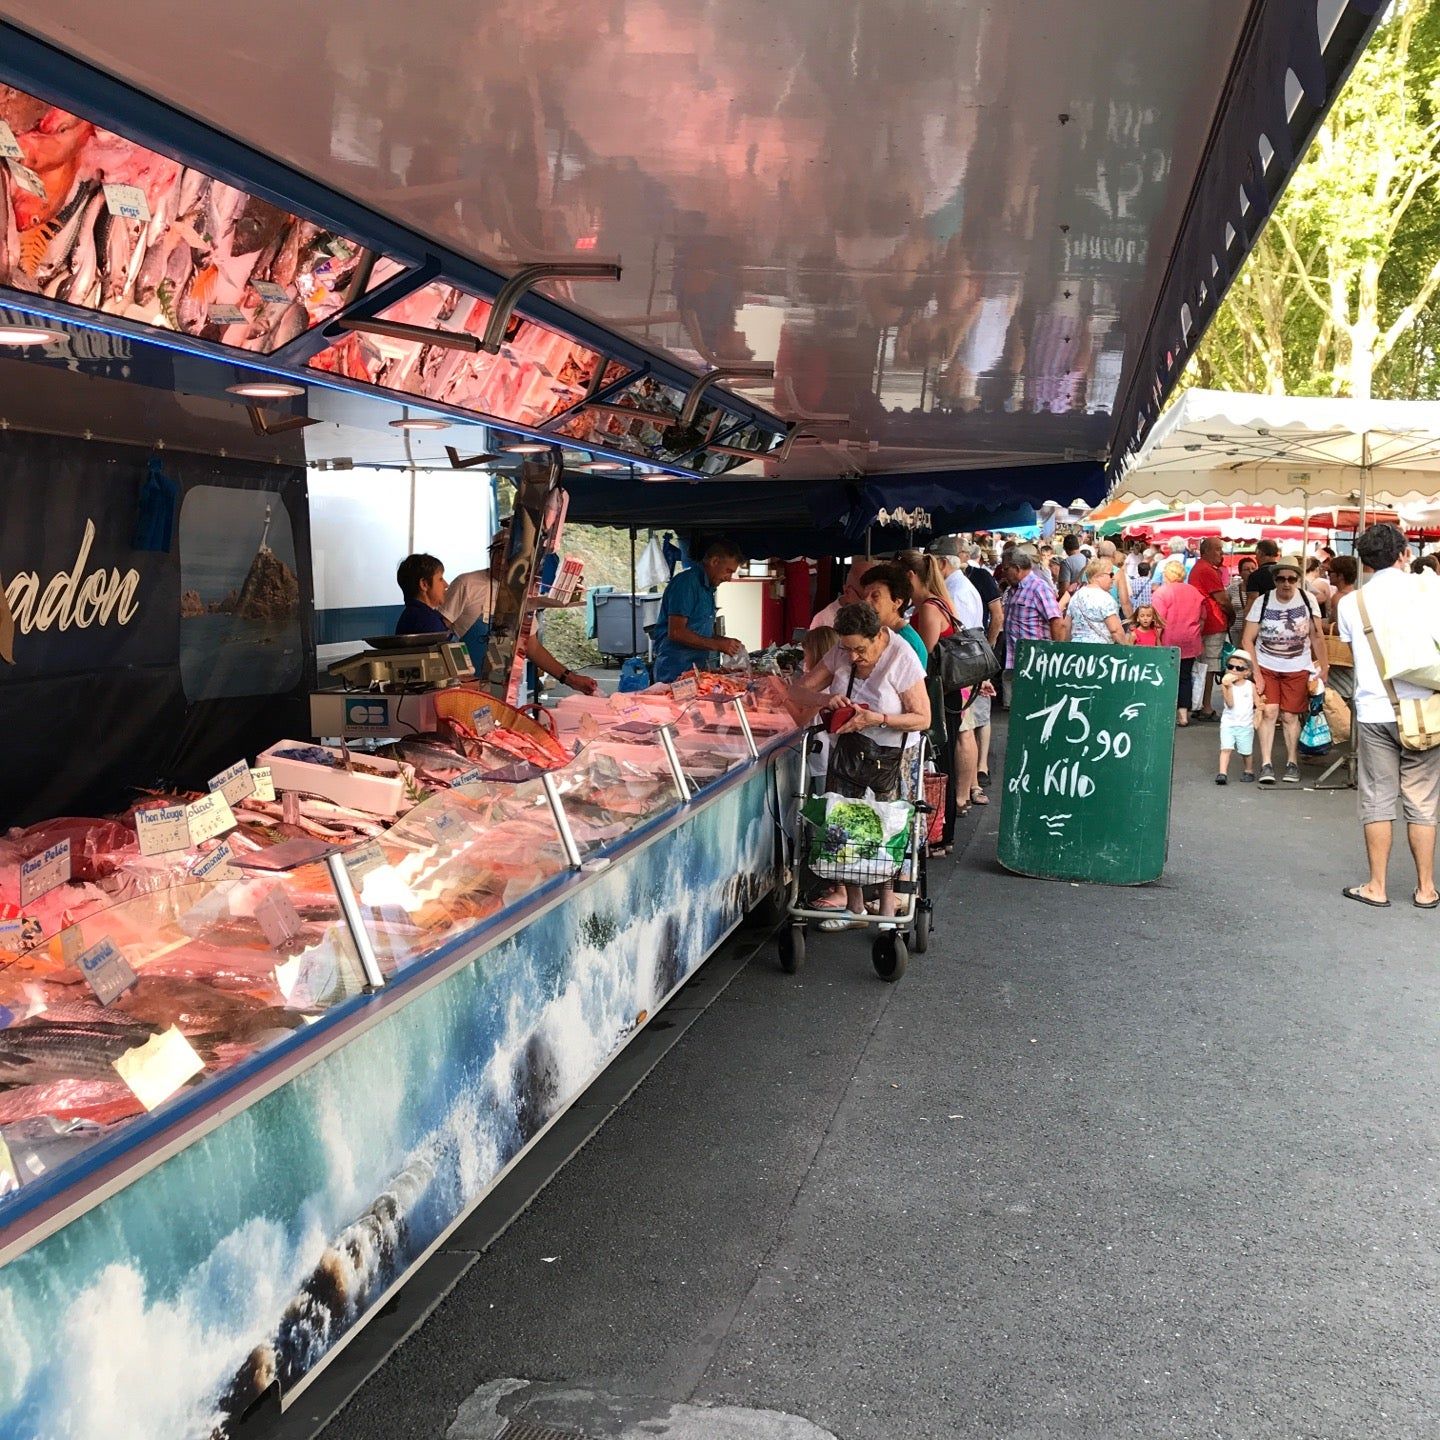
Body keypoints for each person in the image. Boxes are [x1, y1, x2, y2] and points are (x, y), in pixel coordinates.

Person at [806, 602, 931, 930]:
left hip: (889, 757)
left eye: (860, 649)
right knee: (848, 828)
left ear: (878, 636)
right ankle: (855, 907)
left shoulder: (901, 658)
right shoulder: (841, 651)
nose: (853, 657)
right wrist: (825, 700)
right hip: (848, 753)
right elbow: (801, 689)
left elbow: (923, 717)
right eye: (847, 649)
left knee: (884, 828)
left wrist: (878, 718)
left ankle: (888, 908)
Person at [1336, 523, 1440, 908]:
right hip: (1427, 709)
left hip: (1374, 708)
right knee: (1424, 801)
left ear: (1364, 561)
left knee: (1378, 798)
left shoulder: (1350, 603)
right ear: (1403, 553)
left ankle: (1377, 886)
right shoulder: (1430, 592)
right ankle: (1426, 888)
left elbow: (1351, 649)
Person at [440, 528, 601, 695]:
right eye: (497, 552)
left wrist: (571, 679)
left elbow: (532, 647)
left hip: (501, 687)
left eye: (508, 555)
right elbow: (440, 632)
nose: (501, 561)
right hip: (464, 687)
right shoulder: (466, 583)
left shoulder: (521, 593)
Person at [1240, 555, 1328, 784]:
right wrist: (1256, 674)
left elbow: (1317, 637)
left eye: (1291, 578)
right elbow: (1247, 640)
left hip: (1298, 665)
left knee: (1290, 715)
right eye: (1281, 579)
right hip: (1267, 663)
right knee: (1269, 712)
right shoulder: (1263, 601)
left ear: (1298, 579)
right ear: (1275, 580)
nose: (1286, 584)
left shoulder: (1308, 600)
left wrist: (1324, 669)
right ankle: (1266, 764)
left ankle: (1292, 762)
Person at [653, 541, 745, 683]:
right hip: (675, 670)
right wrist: (717, 645)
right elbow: (676, 632)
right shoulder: (687, 583)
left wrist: (723, 641)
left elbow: (697, 630)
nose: (729, 578)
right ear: (714, 561)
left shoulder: (707, 589)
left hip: (695, 669)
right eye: (729, 571)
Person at [965, 545, 1004, 783]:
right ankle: (979, 769)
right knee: (975, 712)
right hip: (976, 649)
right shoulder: (980, 577)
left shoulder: (980, 576)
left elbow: (998, 615)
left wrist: (988, 646)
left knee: (979, 710)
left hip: (976, 649)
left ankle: (982, 767)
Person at [1003, 552, 1069, 694]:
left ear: (1017, 568)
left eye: (1006, 569)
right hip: (1018, 660)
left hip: (1035, 662)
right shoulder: (1013, 590)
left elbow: (1057, 621)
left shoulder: (1039, 588)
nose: (1003, 573)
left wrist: (1056, 654)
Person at [1152, 558, 1205, 725]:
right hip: (1190, 639)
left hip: (1169, 640)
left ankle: (1166, 713)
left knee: (1167, 677)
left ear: (1166, 575)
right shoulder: (1195, 592)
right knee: (1185, 677)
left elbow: (1158, 621)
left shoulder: (1162, 592)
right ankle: (1183, 715)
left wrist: (1156, 641)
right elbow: (1203, 618)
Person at [1188, 537, 1232, 719]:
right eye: (1218, 549)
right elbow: (1222, 600)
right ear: (1205, 551)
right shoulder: (1207, 570)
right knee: (1209, 665)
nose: (1221, 553)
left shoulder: (1199, 568)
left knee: (1201, 665)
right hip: (1213, 623)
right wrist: (1233, 615)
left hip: (1203, 622)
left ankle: (1198, 703)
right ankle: (1205, 706)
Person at [859, 564, 927, 664]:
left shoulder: (907, 642)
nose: (866, 601)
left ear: (897, 602)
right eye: (864, 596)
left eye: (875, 596)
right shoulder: (875, 632)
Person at [1063, 557, 1131, 643]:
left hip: (1077, 650)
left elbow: (1067, 626)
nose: (1113, 578)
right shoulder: (1105, 598)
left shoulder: (1076, 596)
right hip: (1100, 651)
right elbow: (1115, 630)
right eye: (1111, 574)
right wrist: (1127, 649)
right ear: (1098, 576)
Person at [1216, 649, 1257, 785]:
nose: (1233, 670)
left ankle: (1249, 770)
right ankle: (1222, 773)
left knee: (1246, 751)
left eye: (1239, 668)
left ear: (1247, 672)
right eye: (1230, 667)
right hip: (1228, 722)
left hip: (1245, 724)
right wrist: (1227, 687)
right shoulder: (1227, 685)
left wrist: (1259, 715)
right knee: (1226, 748)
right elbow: (1230, 703)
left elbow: (1258, 703)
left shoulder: (1250, 686)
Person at [927, 537, 984, 630]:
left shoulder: (958, 593)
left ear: (942, 564)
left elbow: (960, 638)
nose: (926, 568)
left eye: (929, 563)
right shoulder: (955, 587)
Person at [395, 553, 451, 634]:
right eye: (440, 579)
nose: (446, 585)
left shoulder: (411, 616)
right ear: (424, 584)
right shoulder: (427, 621)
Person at [810, 558, 870, 630]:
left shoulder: (878, 614)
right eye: (865, 598)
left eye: (876, 596)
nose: (872, 603)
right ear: (847, 592)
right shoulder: (824, 621)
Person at [1226, 556, 1257, 646]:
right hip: (1235, 631)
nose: (1251, 571)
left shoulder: (1260, 589)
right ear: (1240, 572)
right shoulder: (1232, 589)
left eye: (1253, 569)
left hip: (1252, 632)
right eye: (1247, 569)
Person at [1244, 537, 1281, 608]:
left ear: (1261, 553)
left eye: (1256, 554)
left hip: (1263, 616)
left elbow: (1252, 602)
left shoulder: (1255, 576)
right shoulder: (1284, 572)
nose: (1255, 557)